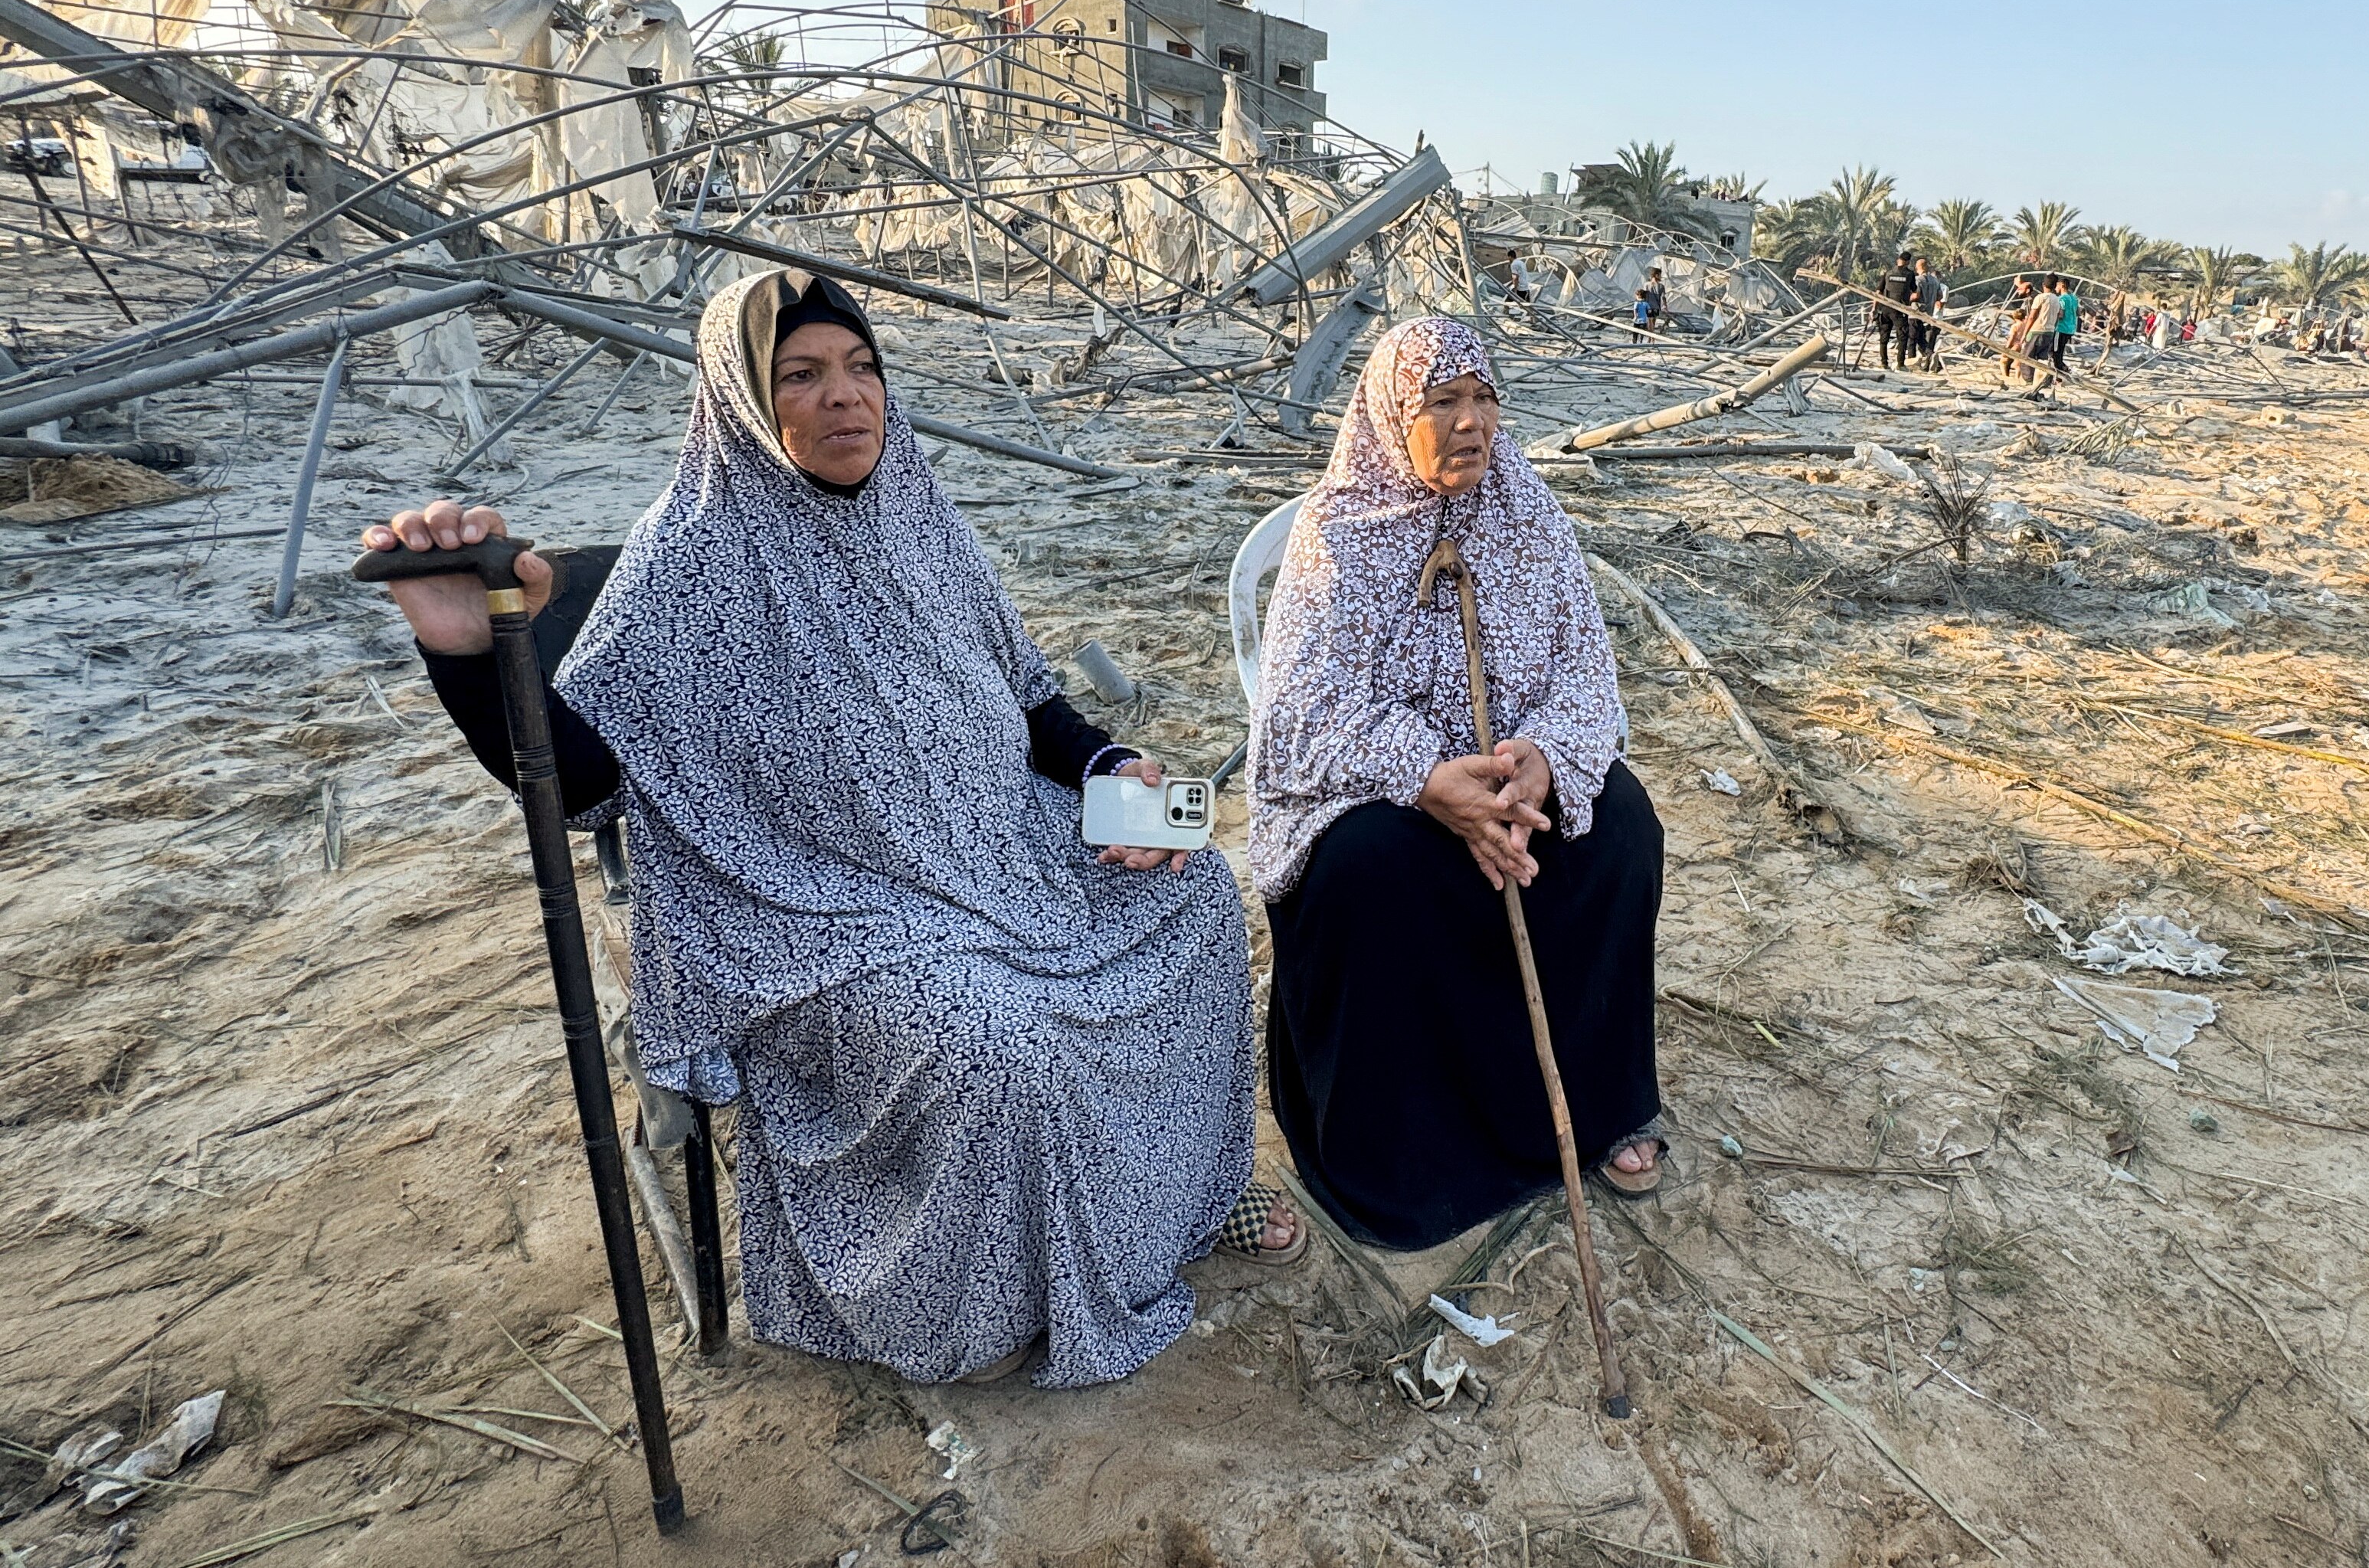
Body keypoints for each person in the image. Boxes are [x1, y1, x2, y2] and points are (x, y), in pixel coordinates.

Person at [359, 270, 1296, 1392]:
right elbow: (586, 788)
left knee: (1194, 898)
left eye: (863, 368)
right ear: (744, 400)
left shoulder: (920, 513)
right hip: (824, 903)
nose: (845, 397)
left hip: (1000, 841)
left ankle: (1180, 1198)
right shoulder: (690, 560)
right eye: (800, 375)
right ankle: (995, 1291)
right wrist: (474, 658)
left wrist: (1110, 765)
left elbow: (1029, 695)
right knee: (1000, 1039)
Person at [1248, 317, 1664, 1251]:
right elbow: (1299, 711)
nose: (1471, 422)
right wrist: (1428, 779)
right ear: (1394, 414)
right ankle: (1405, 1157)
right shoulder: (1333, 531)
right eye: (1444, 401)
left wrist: (1542, 763)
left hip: (1511, 780)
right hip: (1383, 789)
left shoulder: (1528, 511)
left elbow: (1586, 673)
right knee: (1369, 868)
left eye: (1483, 398)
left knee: (1624, 824)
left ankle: (1594, 1110)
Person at [1877, 253, 1917, 370]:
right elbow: (1914, 290)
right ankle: (1900, 364)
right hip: (1899, 309)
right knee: (1902, 336)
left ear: (1898, 260)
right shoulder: (1909, 274)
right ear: (1908, 262)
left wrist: (1875, 309)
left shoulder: (1888, 273)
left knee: (1884, 336)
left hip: (1885, 308)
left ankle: (1884, 363)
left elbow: (1878, 292)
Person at [1909, 257, 1947, 372]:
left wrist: (1906, 299)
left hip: (1915, 312)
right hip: (1928, 314)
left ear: (1917, 268)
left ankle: (1912, 363)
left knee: (1912, 339)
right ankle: (1933, 359)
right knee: (1921, 340)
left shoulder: (1917, 280)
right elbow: (1940, 296)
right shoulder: (1935, 281)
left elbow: (1916, 296)